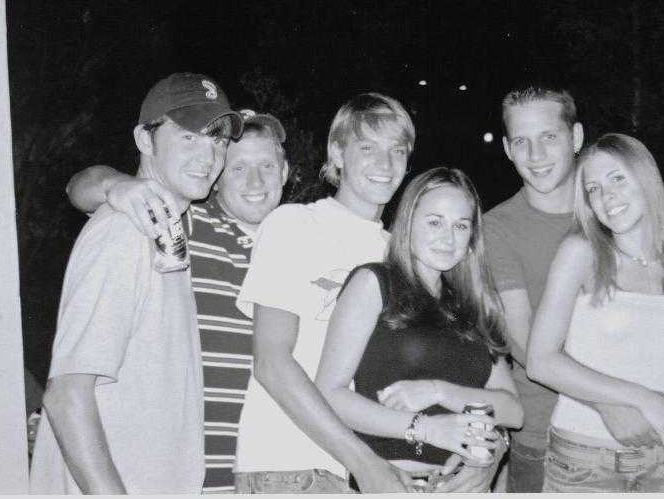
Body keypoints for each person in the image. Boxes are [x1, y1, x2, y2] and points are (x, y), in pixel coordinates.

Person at [30, 73, 243, 493]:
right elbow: (66, 394)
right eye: (188, 136)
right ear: (145, 140)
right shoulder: (125, 231)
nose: (208, 155)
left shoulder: (167, 229)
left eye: (218, 140)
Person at [483, 85, 664, 492]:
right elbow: (523, 339)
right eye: (521, 142)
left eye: (549, 137)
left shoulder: (617, 207)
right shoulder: (498, 228)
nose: (536, 155)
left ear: (576, 137)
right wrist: (607, 405)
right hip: (549, 433)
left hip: (654, 426)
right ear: (508, 150)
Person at [64, 109, 290, 493]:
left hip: (274, 473)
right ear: (216, 177)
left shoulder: (300, 248)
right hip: (191, 476)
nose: (255, 181)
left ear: (285, 172)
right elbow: (78, 187)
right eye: (238, 168)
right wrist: (116, 184)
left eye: (267, 166)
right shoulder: (182, 225)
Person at [527, 133, 664, 492]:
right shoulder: (581, 255)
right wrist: (647, 400)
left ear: (646, 179)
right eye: (593, 189)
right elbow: (541, 362)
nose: (606, 196)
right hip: (585, 465)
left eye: (617, 179)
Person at [233, 93, 418, 493]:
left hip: (379, 471)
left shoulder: (402, 254)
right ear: (337, 153)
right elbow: (271, 362)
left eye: (397, 150)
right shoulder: (295, 225)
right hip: (290, 469)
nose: (385, 164)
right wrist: (364, 463)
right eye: (367, 148)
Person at [315, 167, 523, 493]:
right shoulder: (374, 283)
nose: (448, 237)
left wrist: (438, 392)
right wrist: (426, 428)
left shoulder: (472, 304)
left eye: (460, 225)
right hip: (394, 482)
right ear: (408, 222)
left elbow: (512, 411)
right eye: (434, 222)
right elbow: (330, 394)